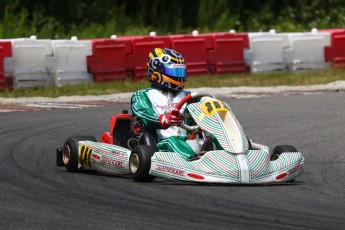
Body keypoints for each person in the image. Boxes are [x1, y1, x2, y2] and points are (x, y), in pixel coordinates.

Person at [130, 48, 198, 160]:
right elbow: (144, 113)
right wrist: (164, 120)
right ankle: (194, 162)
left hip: (189, 139)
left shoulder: (189, 95)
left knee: (215, 134)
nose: (178, 76)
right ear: (156, 72)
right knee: (173, 141)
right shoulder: (143, 95)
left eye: (180, 72)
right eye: (174, 72)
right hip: (160, 143)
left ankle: (233, 158)